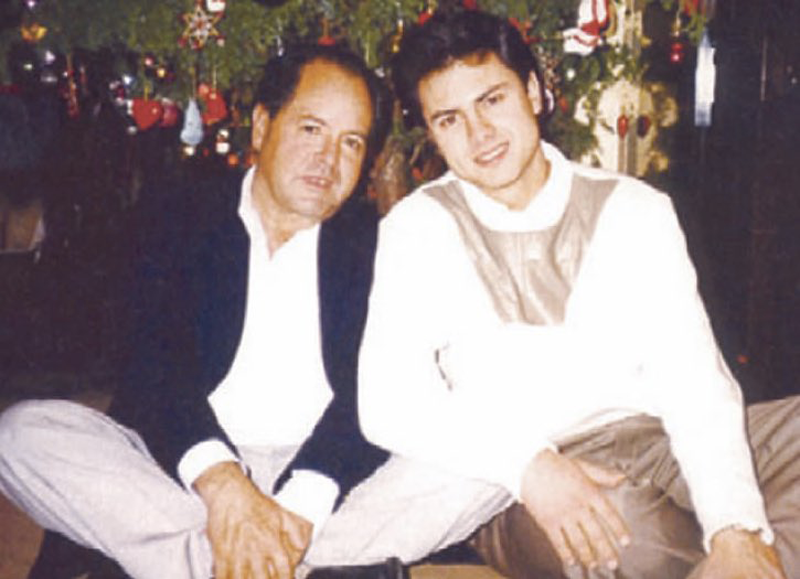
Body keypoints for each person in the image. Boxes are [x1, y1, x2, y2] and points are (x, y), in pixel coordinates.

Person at [358, 9, 800, 579]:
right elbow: (389, 402)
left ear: (534, 92)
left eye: (492, 100)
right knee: (627, 540)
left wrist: (735, 526)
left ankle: (743, 559)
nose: (479, 133)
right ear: (433, 133)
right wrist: (531, 467)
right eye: (449, 120)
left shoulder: (634, 210)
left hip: (652, 438)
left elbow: (694, 381)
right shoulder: (419, 227)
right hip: (512, 475)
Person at [0, 43, 405, 579]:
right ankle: (285, 565)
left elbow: (378, 395)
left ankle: (227, 559)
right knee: (21, 434)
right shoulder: (180, 213)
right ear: (262, 126)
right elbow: (152, 364)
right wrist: (224, 487)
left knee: (467, 468)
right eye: (311, 129)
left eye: (351, 142)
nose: (328, 159)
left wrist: (302, 503)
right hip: (187, 472)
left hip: (323, 484)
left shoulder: (379, 245)